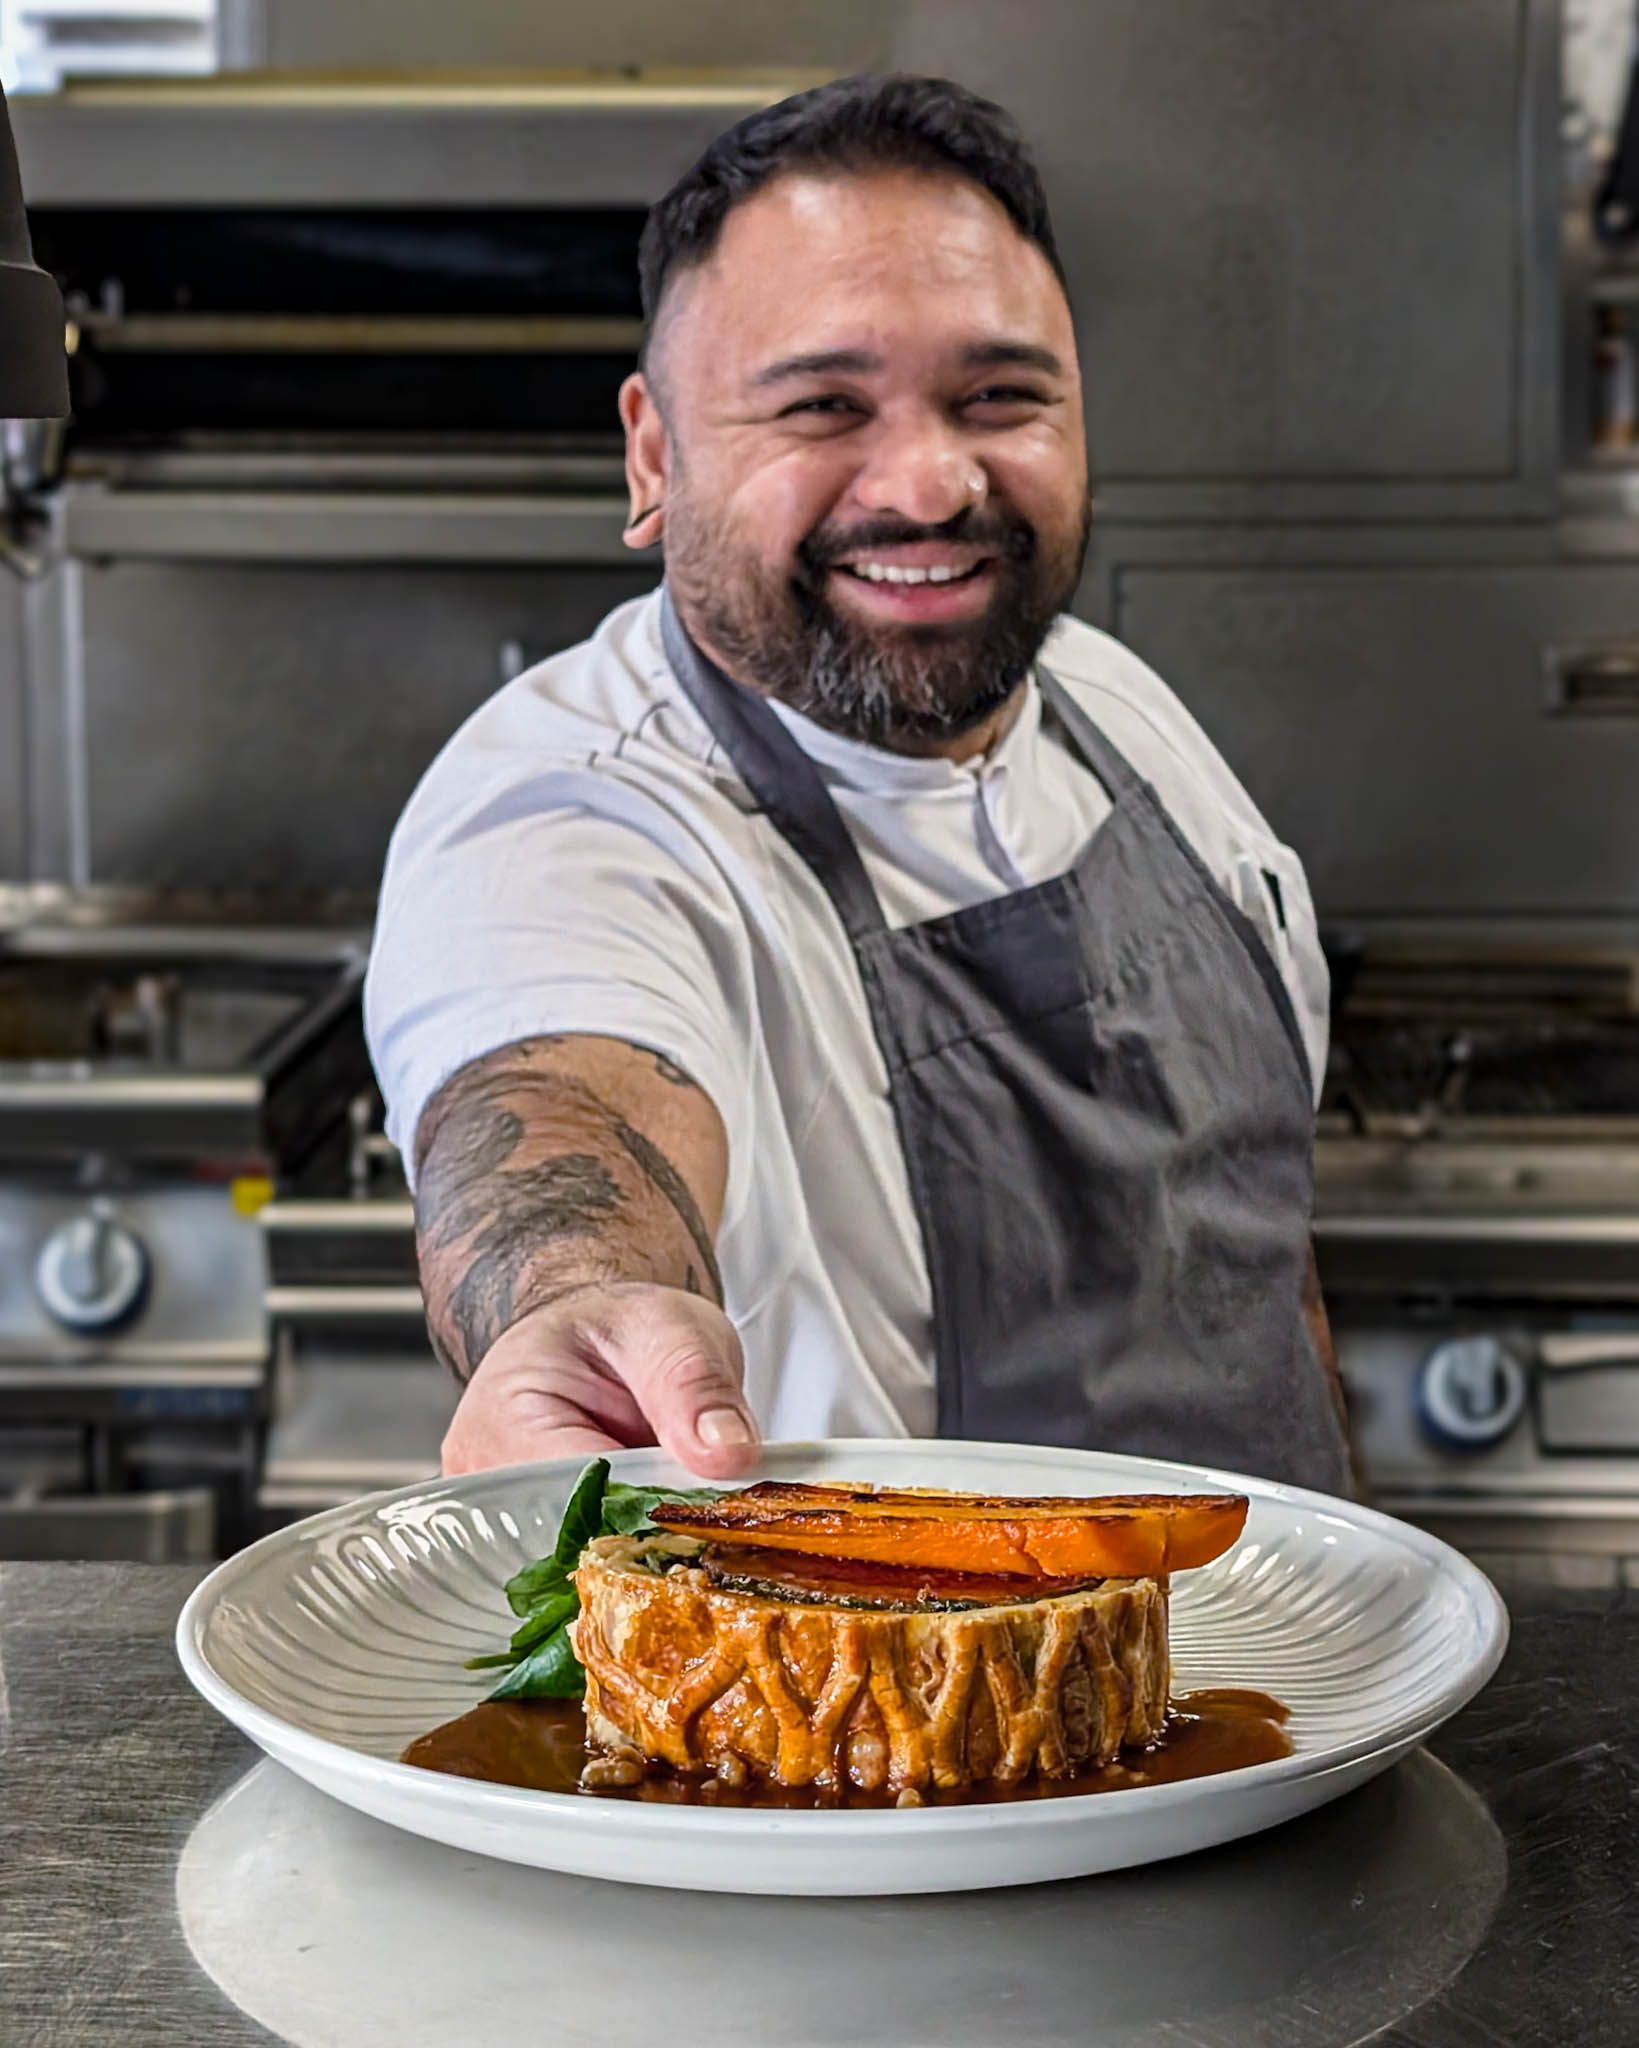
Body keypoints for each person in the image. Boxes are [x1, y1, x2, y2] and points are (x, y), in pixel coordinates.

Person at [366, 73, 1353, 1495]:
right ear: (656, 453)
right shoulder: (571, 808)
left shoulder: (1122, 716)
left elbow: (1258, 1262)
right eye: (826, 405)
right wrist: (571, 1308)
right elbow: (562, 1111)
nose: (934, 482)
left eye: (1000, 395)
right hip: (905, 1704)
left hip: (1293, 1680)